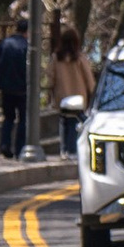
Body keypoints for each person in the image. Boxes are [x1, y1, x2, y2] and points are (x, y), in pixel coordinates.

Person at [0, 20, 29, 158]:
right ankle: (19, 148)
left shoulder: (4, 44)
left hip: (6, 87)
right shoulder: (27, 46)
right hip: (23, 88)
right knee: (23, 119)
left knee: (8, 117)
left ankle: (5, 144)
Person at [50, 19, 86, 155]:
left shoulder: (56, 58)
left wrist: (53, 92)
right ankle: (72, 150)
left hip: (62, 97)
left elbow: (51, 79)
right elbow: (89, 80)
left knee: (64, 122)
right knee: (74, 123)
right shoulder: (80, 59)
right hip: (78, 97)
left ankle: (64, 149)